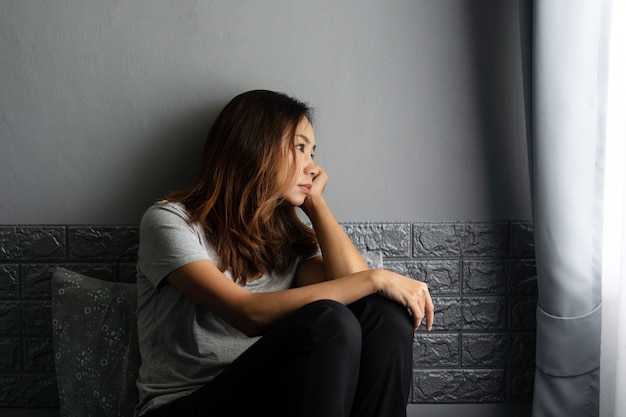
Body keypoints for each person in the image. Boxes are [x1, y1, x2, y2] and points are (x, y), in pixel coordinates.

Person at [134, 89, 434, 417]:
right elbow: (246, 314)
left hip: (272, 397)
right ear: (254, 145)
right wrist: (377, 277)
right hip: (186, 404)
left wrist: (316, 205)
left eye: (313, 152)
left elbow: (359, 295)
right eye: (300, 148)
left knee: (383, 314)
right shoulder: (170, 221)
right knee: (329, 321)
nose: (313, 168)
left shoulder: (287, 238)